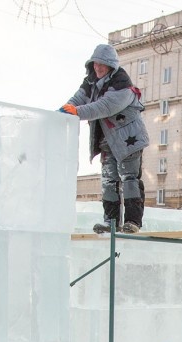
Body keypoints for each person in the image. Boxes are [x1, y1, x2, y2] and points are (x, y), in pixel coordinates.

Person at [61, 44, 148, 234]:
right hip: (107, 141)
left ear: (111, 66)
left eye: (102, 64)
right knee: (109, 181)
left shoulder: (122, 85)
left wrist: (76, 112)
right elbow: (77, 100)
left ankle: (133, 222)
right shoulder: (90, 84)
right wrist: (63, 112)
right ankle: (111, 221)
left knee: (129, 178)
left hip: (128, 140)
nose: (98, 68)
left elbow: (104, 107)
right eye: (95, 64)